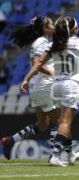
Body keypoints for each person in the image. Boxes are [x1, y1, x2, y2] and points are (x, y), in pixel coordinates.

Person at [20, 16, 79, 166]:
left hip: (56, 86)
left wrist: (26, 79)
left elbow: (38, 63)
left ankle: (69, 154)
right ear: (75, 29)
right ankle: (55, 155)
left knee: (61, 122)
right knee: (65, 122)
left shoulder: (55, 43)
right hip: (71, 85)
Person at [1, 16, 60, 161]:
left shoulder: (43, 41)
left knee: (42, 124)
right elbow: (36, 63)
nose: (53, 26)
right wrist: (52, 73)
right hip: (44, 85)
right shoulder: (41, 42)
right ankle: (54, 155)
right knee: (57, 122)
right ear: (45, 29)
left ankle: (9, 141)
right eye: (51, 24)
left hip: (38, 85)